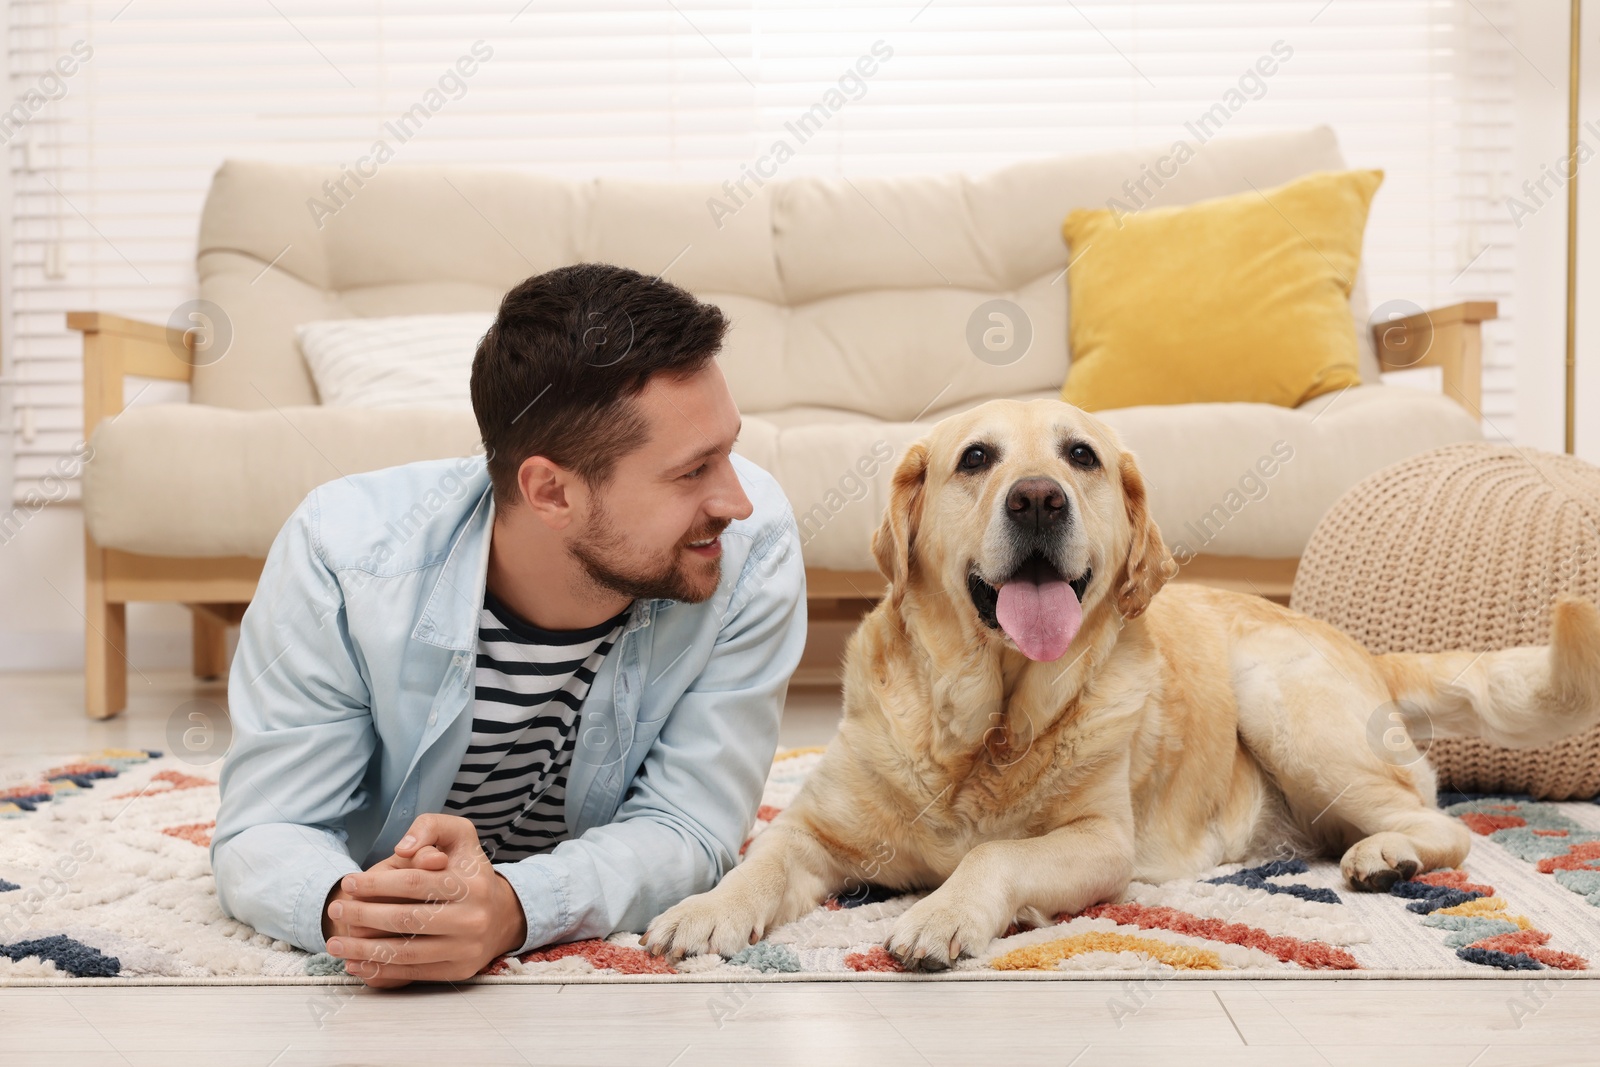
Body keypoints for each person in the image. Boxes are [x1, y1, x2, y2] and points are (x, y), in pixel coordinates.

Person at [210, 263, 806, 987]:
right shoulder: (339, 557)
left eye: (730, 450)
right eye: (692, 471)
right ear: (551, 490)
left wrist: (515, 906)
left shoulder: (750, 546)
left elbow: (692, 825)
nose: (735, 500)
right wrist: (354, 910)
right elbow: (267, 829)